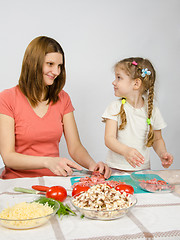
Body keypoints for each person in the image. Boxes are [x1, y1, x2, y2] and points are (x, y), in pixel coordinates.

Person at [0, 36, 111, 179]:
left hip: (54, 181)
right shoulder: (7, 98)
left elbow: (75, 147)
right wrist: (47, 161)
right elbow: (8, 157)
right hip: (18, 183)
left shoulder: (63, 98)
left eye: (59, 66)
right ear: (33, 62)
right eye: (50, 64)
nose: (57, 72)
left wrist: (92, 165)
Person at [102, 57, 173, 171]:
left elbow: (157, 139)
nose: (114, 82)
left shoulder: (152, 111)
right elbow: (109, 139)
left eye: (119, 78)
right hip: (116, 169)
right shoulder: (114, 107)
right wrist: (126, 151)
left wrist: (162, 153)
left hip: (142, 171)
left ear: (136, 83)